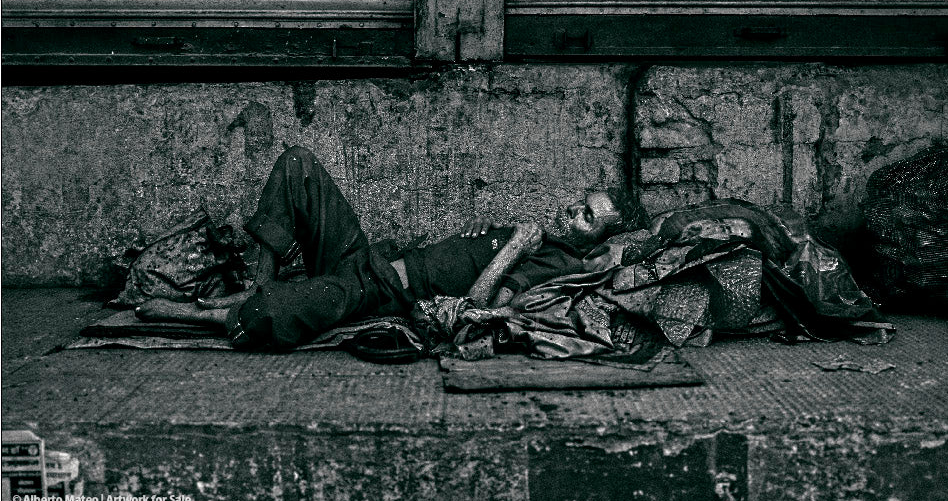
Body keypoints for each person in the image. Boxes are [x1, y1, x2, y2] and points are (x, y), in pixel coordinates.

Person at [136, 146, 648, 351]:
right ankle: (256, 285)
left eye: (584, 216)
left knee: (280, 312)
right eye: (578, 203)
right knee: (298, 164)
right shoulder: (546, 234)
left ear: (596, 237)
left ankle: (193, 313)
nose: (568, 213)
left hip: (376, 292)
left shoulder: (549, 260)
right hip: (364, 258)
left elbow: (483, 307)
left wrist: (512, 248)